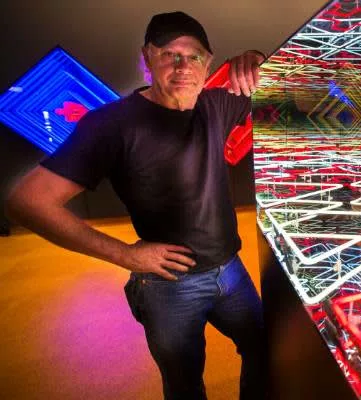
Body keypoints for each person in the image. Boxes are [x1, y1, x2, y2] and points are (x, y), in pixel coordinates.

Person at [5, 11, 267, 400]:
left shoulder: (217, 105)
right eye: (169, 55)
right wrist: (126, 255)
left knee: (266, 353)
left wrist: (257, 58)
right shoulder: (110, 125)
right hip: (168, 285)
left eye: (194, 56)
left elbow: (286, 82)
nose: (183, 67)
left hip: (230, 271)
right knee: (184, 385)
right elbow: (27, 202)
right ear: (146, 59)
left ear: (209, 63)